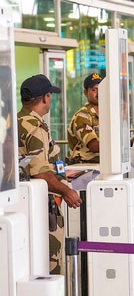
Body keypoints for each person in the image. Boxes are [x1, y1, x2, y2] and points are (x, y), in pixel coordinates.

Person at [17, 74, 83, 274]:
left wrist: (60, 173)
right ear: (45, 97)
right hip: (43, 207)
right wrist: (66, 191)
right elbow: (40, 173)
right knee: (50, 263)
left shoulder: (17, 120)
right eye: (50, 95)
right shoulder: (35, 127)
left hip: (24, 203)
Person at [66, 73, 103, 164]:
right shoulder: (82, 116)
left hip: (102, 165)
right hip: (84, 168)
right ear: (86, 93)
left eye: (101, 89)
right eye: (94, 90)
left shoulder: (107, 114)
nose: (98, 93)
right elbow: (94, 146)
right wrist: (119, 145)